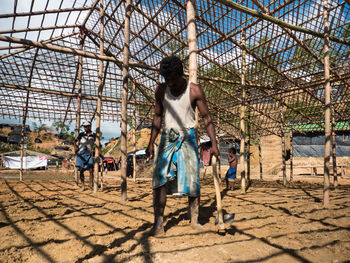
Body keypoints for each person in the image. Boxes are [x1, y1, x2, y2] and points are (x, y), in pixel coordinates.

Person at [145, 55, 219, 236]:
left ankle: (194, 220)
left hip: (188, 137)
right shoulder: (161, 90)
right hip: (167, 137)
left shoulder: (194, 91)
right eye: (166, 79)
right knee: (159, 180)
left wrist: (214, 143)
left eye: (173, 79)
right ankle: (158, 225)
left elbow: (207, 118)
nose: (169, 82)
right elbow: (157, 117)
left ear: (181, 74)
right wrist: (151, 142)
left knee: (193, 179)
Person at [74, 121, 96, 191]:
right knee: (81, 170)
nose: (85, 128)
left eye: (87, 126)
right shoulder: (81, 134)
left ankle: (91, 185)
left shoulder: (94, 135)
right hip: (81, 153)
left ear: (90, 126)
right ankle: (83, 186)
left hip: (89, 153)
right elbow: (75, 141)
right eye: (84, 127)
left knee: (91, 170)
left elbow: (98, 144)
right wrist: (75, 147)